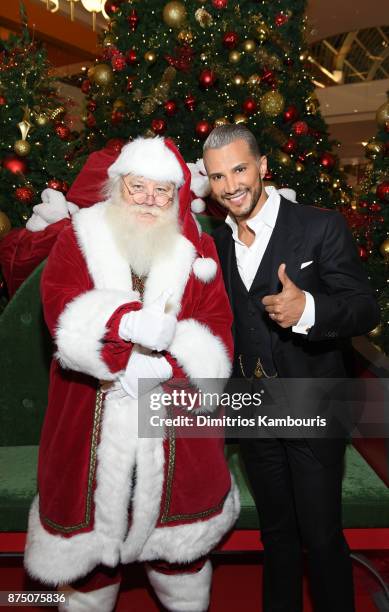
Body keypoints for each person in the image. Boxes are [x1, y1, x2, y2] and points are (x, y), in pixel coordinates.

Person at [24, 136, 240, 612]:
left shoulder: (196, 249)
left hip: (175, 422)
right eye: (138, 187)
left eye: (162, 190)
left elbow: (217, 328)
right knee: (90, 560)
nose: (149, 199)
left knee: (178, 554)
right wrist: (121, 330)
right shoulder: (77, 239)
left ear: (176, 195)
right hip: (89, 419)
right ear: (118, 186)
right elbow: (61, 309)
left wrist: (165, 363)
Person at [203, 124, 380, 612]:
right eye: (218, 176)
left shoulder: (320, 226)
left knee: (321, 537)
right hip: (253, 409)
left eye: (239, 169)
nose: (231, 185)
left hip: (313, 408)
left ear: (262, 167)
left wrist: (311, 311)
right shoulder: (215, 244)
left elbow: (365, 309)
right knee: (276, 536)